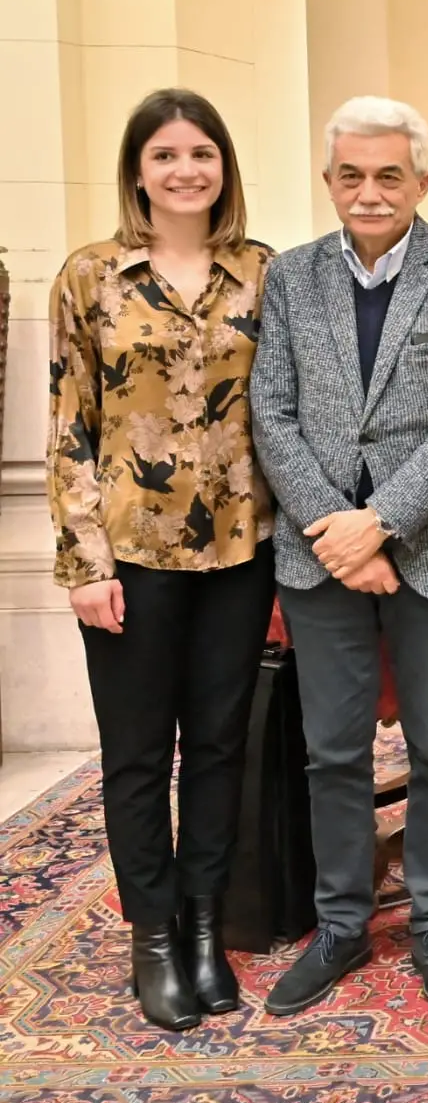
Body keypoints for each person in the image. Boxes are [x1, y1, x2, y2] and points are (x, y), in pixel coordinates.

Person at [250, 96, 428, 1016]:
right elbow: (271, 413)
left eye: (388, 174)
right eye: (351, 175)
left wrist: (383, 522)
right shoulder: (289, 277)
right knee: (333, 752)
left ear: (423, 182)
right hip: (319, 555)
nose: (369, 192)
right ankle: (340, 922)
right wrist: (337, 526)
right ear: (329, 182)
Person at [46, 88, 276, 1031]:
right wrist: (85, 563)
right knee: (139, 757)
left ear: (225, 165)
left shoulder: (264, 272)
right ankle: (153, 938)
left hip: (239, 551)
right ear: (138, 170)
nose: (186, 170)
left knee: (220, 748)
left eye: (202, 154)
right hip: (130, 556)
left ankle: (203, 928)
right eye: (166, 155)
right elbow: (68, 429)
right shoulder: (90, 275)